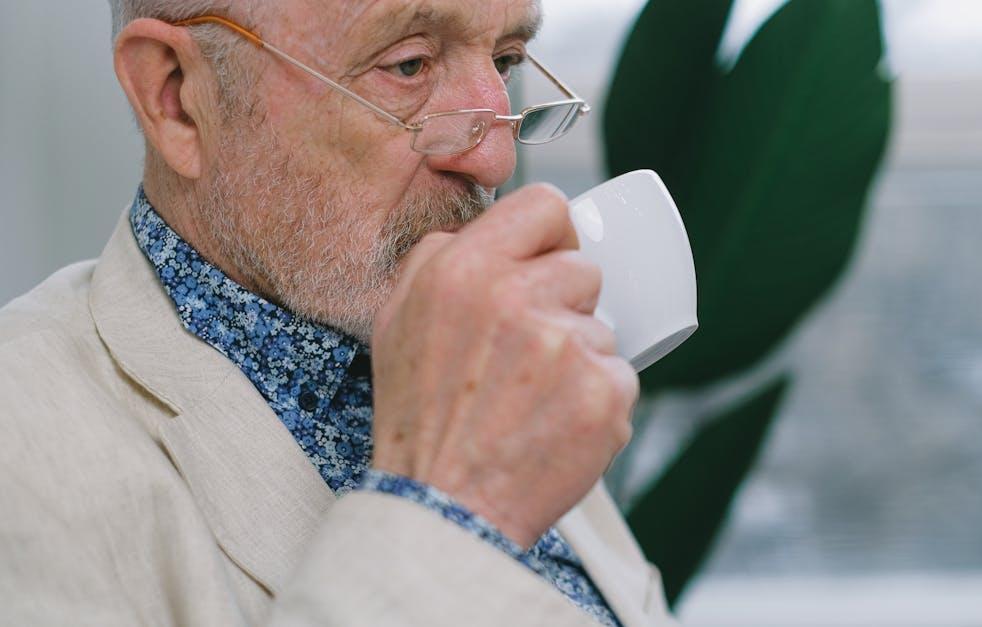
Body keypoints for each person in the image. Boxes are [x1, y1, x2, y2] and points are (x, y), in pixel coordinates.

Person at [0, 1, 677, 625]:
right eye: (408, 65)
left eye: (503, 62)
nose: (496, 158)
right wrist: (455, 507)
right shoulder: (22, 447)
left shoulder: (489, 354)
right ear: (176, 96)